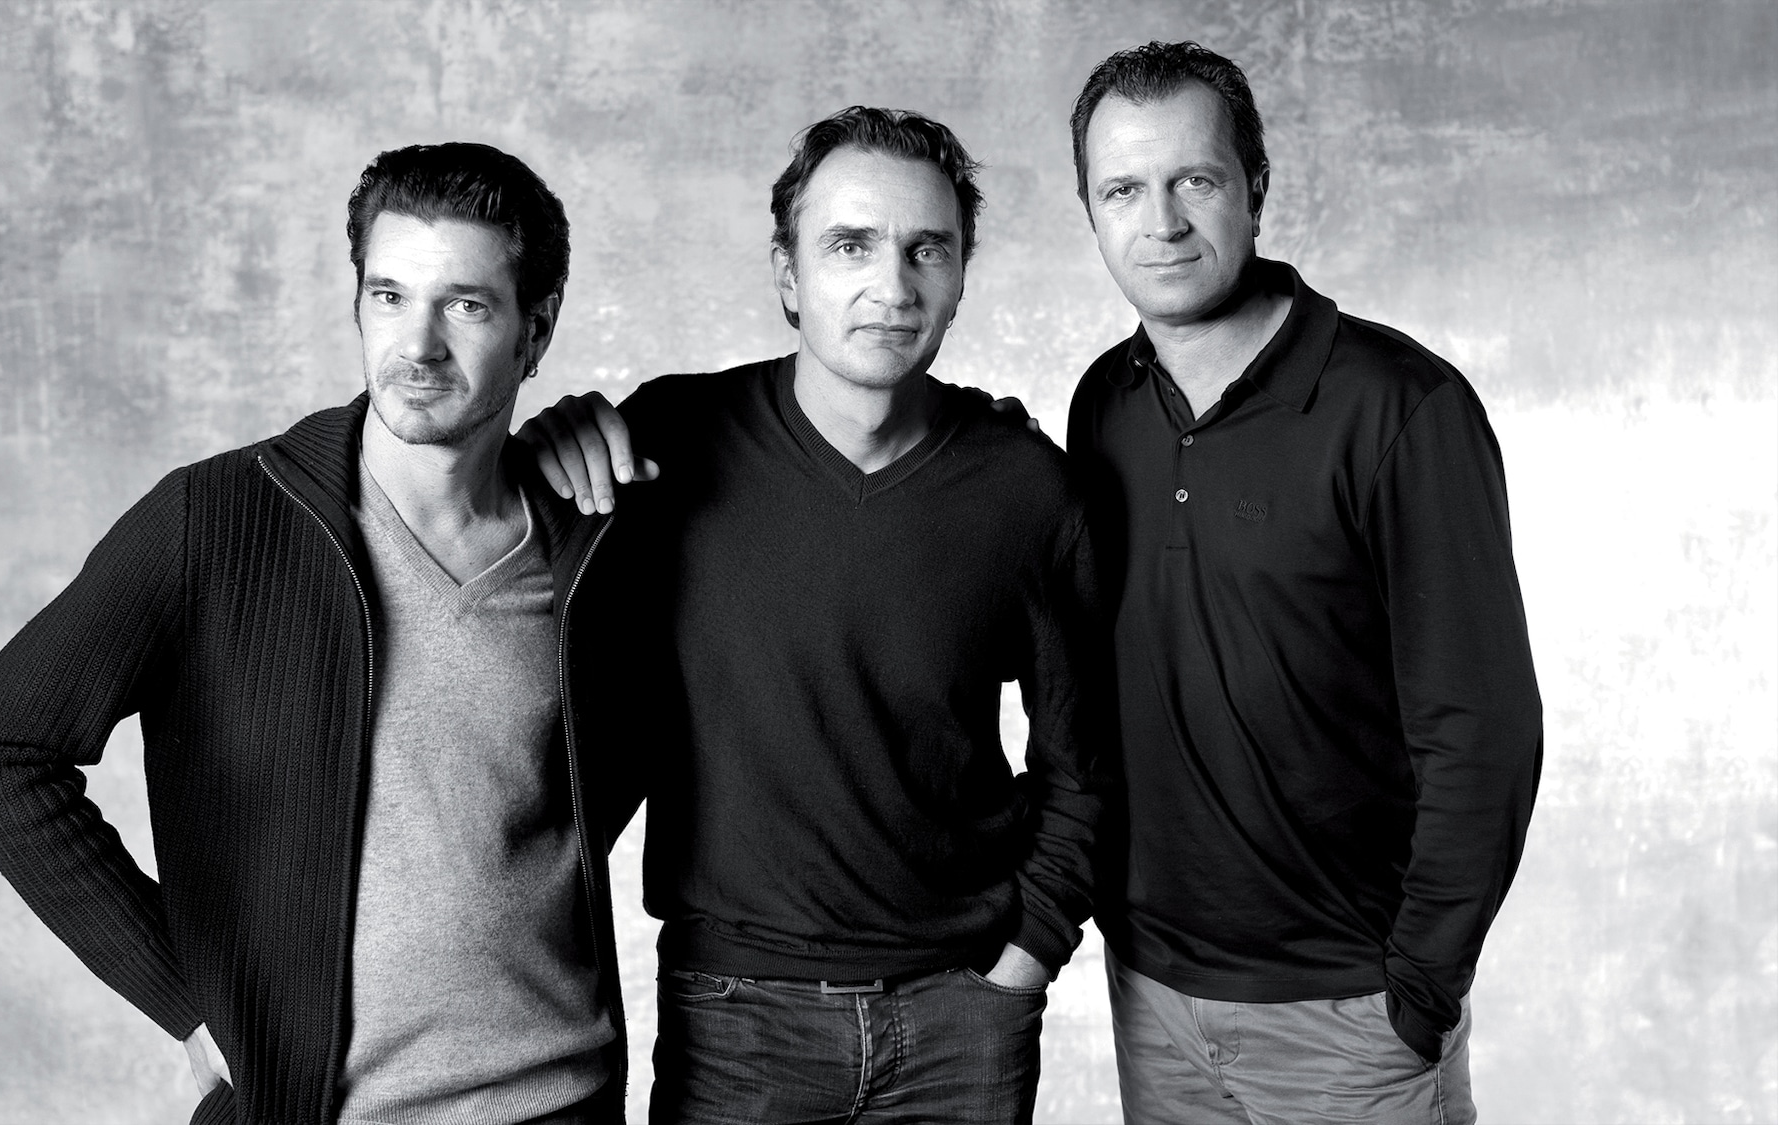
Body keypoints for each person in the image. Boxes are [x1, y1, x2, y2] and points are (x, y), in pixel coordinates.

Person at [0, 144, 642, 1125]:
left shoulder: (591, 543)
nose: (419, 345)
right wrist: (180, 996)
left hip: (561, 1102)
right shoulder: (219, 519)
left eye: (466, 306)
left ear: (538, 329)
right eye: (388, 297)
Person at [522, 107, 1110, 1124]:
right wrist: (536, 451)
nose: (893, 285)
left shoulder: (1028, 490)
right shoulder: (665, 444)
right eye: (849, 245)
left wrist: (1023, 960)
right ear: (788, 276)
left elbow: (1089, 762)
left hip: (961, 1021)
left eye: (927, 249)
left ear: (960, 277)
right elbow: (508, 611)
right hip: (736, 1023)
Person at [1063, 41, 1542, 1123]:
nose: (1161, 222)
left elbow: (1483, 727)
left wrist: (1418, 986)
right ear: (1089, 210)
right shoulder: (1103, 403)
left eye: (1194, 180)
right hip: (1153, 996)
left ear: (1256, 186)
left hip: (1350, 1013)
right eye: (1123, 190)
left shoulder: (1398, 406)